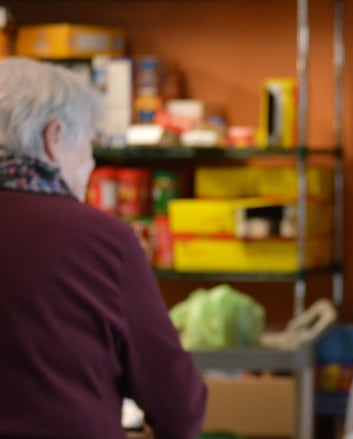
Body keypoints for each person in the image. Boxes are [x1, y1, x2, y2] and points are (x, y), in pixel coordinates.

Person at [0, 57, 207, 437]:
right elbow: (177, 403)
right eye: (88, 142)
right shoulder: (101, 240)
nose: (91, 161)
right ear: (55, 137)